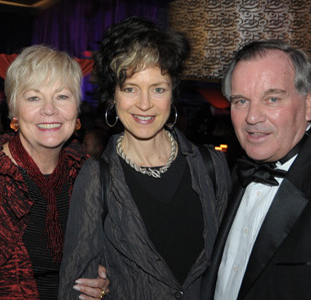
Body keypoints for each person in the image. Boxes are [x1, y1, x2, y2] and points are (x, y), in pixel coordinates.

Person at [59, 17, 231, 299]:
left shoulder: (211, 166)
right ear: (113, 96)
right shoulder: (95, 179)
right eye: (130, 88)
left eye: (158, 89)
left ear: (172, 93)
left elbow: (234, 267)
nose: (144, 104)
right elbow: (75, 288)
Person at [0, 45, 109, 300]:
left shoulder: (90, 175)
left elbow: (112, 254)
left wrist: (105, 280)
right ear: (13, 109)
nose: (49, 109)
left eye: (62, 96)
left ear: (77, 107)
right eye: (34, 97)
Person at [201, 41, 311, 300]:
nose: (252, 117)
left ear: (309, 105)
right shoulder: (235, 176)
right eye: (241, 101)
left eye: (272, 98)